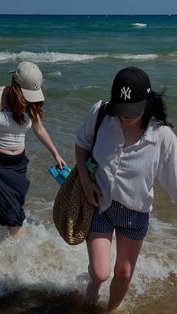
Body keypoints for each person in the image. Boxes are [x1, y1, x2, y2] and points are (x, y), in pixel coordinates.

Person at [75, 67, 177, 311]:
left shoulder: (162, 137)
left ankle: (110, 310)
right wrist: (86, 181)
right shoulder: (101, 114)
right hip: (100, 204)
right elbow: (81, 144)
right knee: (100, 272)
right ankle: (94, 285)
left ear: (146, 101)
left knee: (123, 273)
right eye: (120, 110)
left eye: (131, 111)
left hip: (135, 214)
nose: (124, 117)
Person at [0, 61, 66, 242]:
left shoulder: (31, 103)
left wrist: (55, 153)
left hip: (17, 166)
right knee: (13, 215)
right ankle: (17, 258)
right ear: (16, 84)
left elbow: (39, 129)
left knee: (12, 212)